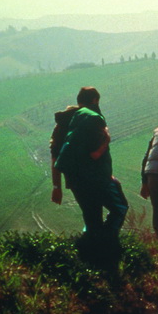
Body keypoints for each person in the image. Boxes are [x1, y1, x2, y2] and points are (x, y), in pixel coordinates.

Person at [53, 87, 128, 258]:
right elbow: (95, 154)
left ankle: (89, 253)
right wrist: (106, 140)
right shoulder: (92, 118)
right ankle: (108, 244)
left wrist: (56, 185)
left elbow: (56, 157)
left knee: (92, 216)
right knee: (120, 207)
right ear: (95, 100)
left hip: (75, 179)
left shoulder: (67, 122)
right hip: (95, 178)